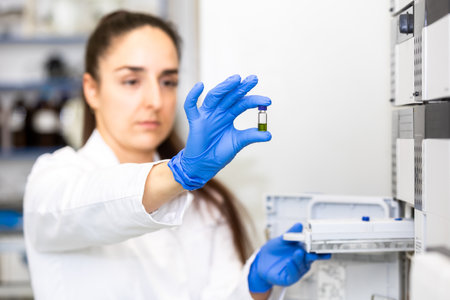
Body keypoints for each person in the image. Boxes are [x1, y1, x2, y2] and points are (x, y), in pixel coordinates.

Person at [23, 10, 330, 300]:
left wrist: (256, 285)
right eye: (132, 81)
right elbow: (86, 206)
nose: (155, 100)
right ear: (91, 90)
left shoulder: (207, 203)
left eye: (168, 81)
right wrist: (178, 174)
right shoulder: (54, 179)